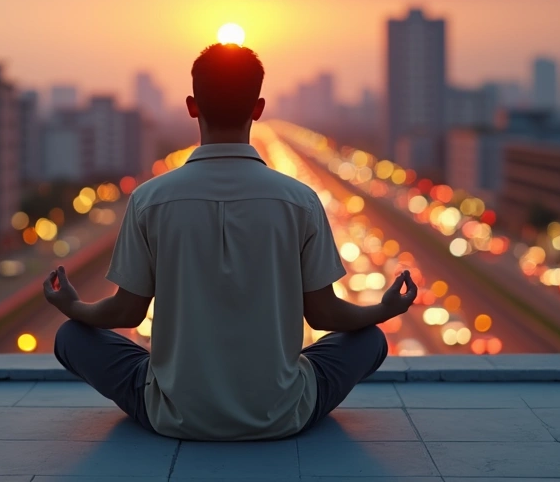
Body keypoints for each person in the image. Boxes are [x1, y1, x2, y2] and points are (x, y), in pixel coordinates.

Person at [44, 43, 418, 441]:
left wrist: (73, 306)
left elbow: (127, 311)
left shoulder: (149, 199)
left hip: (173, 414)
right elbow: (325, 316)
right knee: (371, 339)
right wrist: (383, 309)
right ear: (258, 109)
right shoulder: (300, 200)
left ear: (192, 106)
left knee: (71, 336)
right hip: (280, 413)